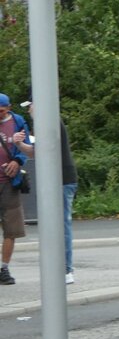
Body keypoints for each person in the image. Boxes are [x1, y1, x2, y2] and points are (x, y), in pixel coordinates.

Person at [13, 99, 79, 284]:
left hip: (62, 180)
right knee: (54, 225)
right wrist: (19, 145)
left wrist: (21, 145)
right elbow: (37, 151)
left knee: (61, 225)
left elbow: (40, 150)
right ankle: (60, 268)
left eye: (31, 107)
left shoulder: (48, 121)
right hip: (56, 180)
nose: (29, 111)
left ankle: (66, 269)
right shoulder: (47, 122)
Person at [0, 94, 30, 286]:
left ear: (8, 108)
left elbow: (27, 147)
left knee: (11, 229)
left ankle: (4, 268)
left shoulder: (18, 122)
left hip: (9, 182)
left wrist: (18, 161)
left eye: (1, 111)